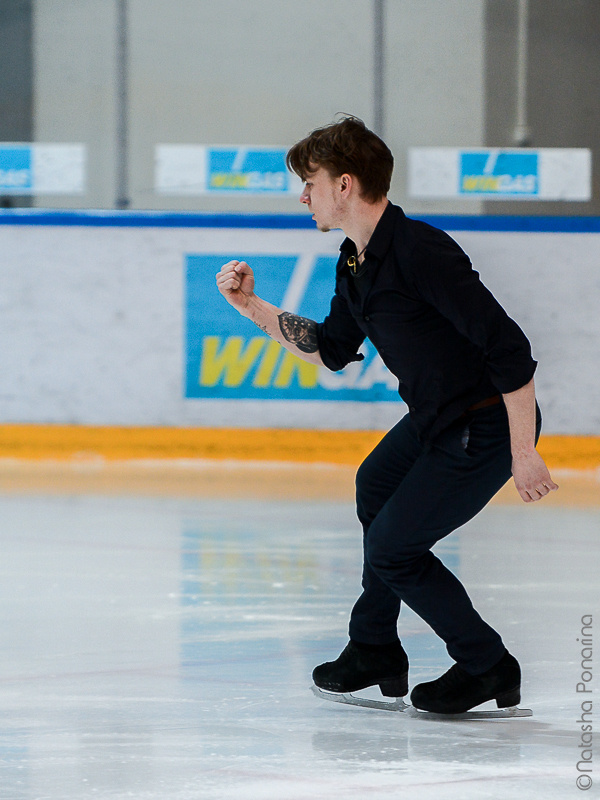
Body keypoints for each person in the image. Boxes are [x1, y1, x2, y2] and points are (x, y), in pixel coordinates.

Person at [216, 116, 558, 714]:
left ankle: (487, 664)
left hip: (485, 424)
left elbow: (509, 349)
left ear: (345, 185)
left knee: (394, 550)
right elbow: (331, 349)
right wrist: (250, 307)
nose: (304, 196)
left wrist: (522, 450)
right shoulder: (354, 259)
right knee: (374, 483)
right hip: (436, 417)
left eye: (311, 183)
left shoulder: (421, 251)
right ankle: (374, 647)